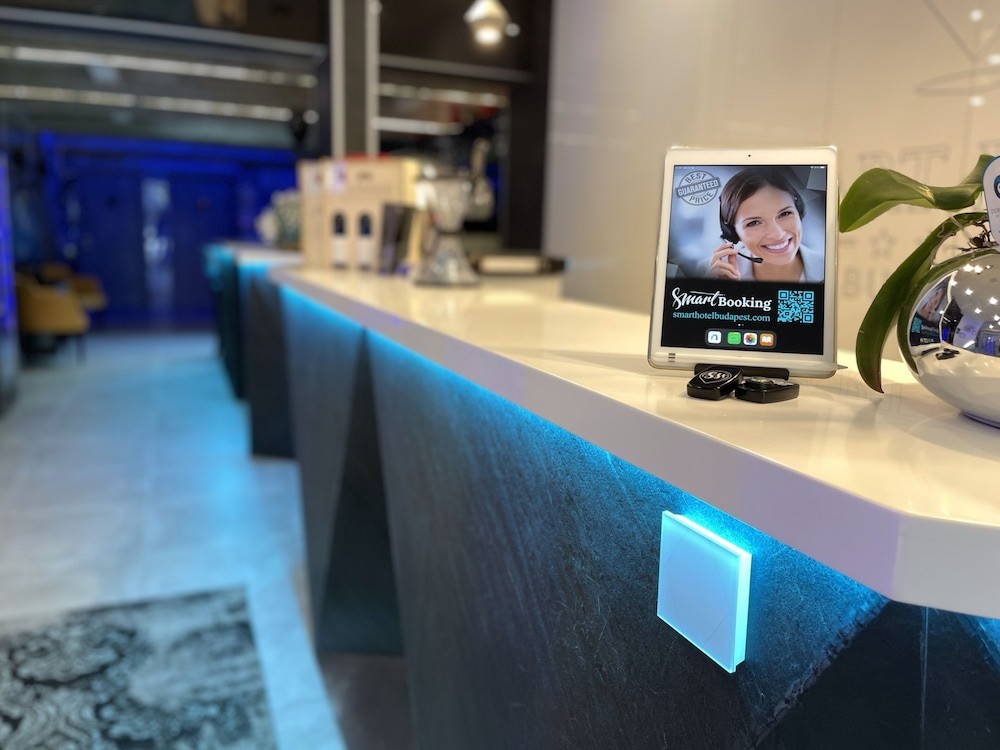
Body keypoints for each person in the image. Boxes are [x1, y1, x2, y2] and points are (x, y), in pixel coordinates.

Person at [703, 167, 824, 282]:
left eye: (785, 213)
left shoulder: (828, 268)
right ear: (733, 232)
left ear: (798, 211)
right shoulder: (711, 272)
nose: (777, 234)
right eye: (754, 223)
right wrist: (717, 290)